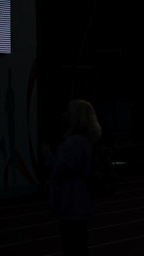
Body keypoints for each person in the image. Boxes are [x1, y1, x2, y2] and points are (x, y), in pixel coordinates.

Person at [49, 99, 102, 256]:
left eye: (68, 112)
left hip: (71, 200)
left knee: (72, 245)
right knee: (79, 243)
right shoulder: (87, 140)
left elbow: (61, 168)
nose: (64, 115)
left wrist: (47, 155)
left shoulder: (73, 142)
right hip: (81, 199)